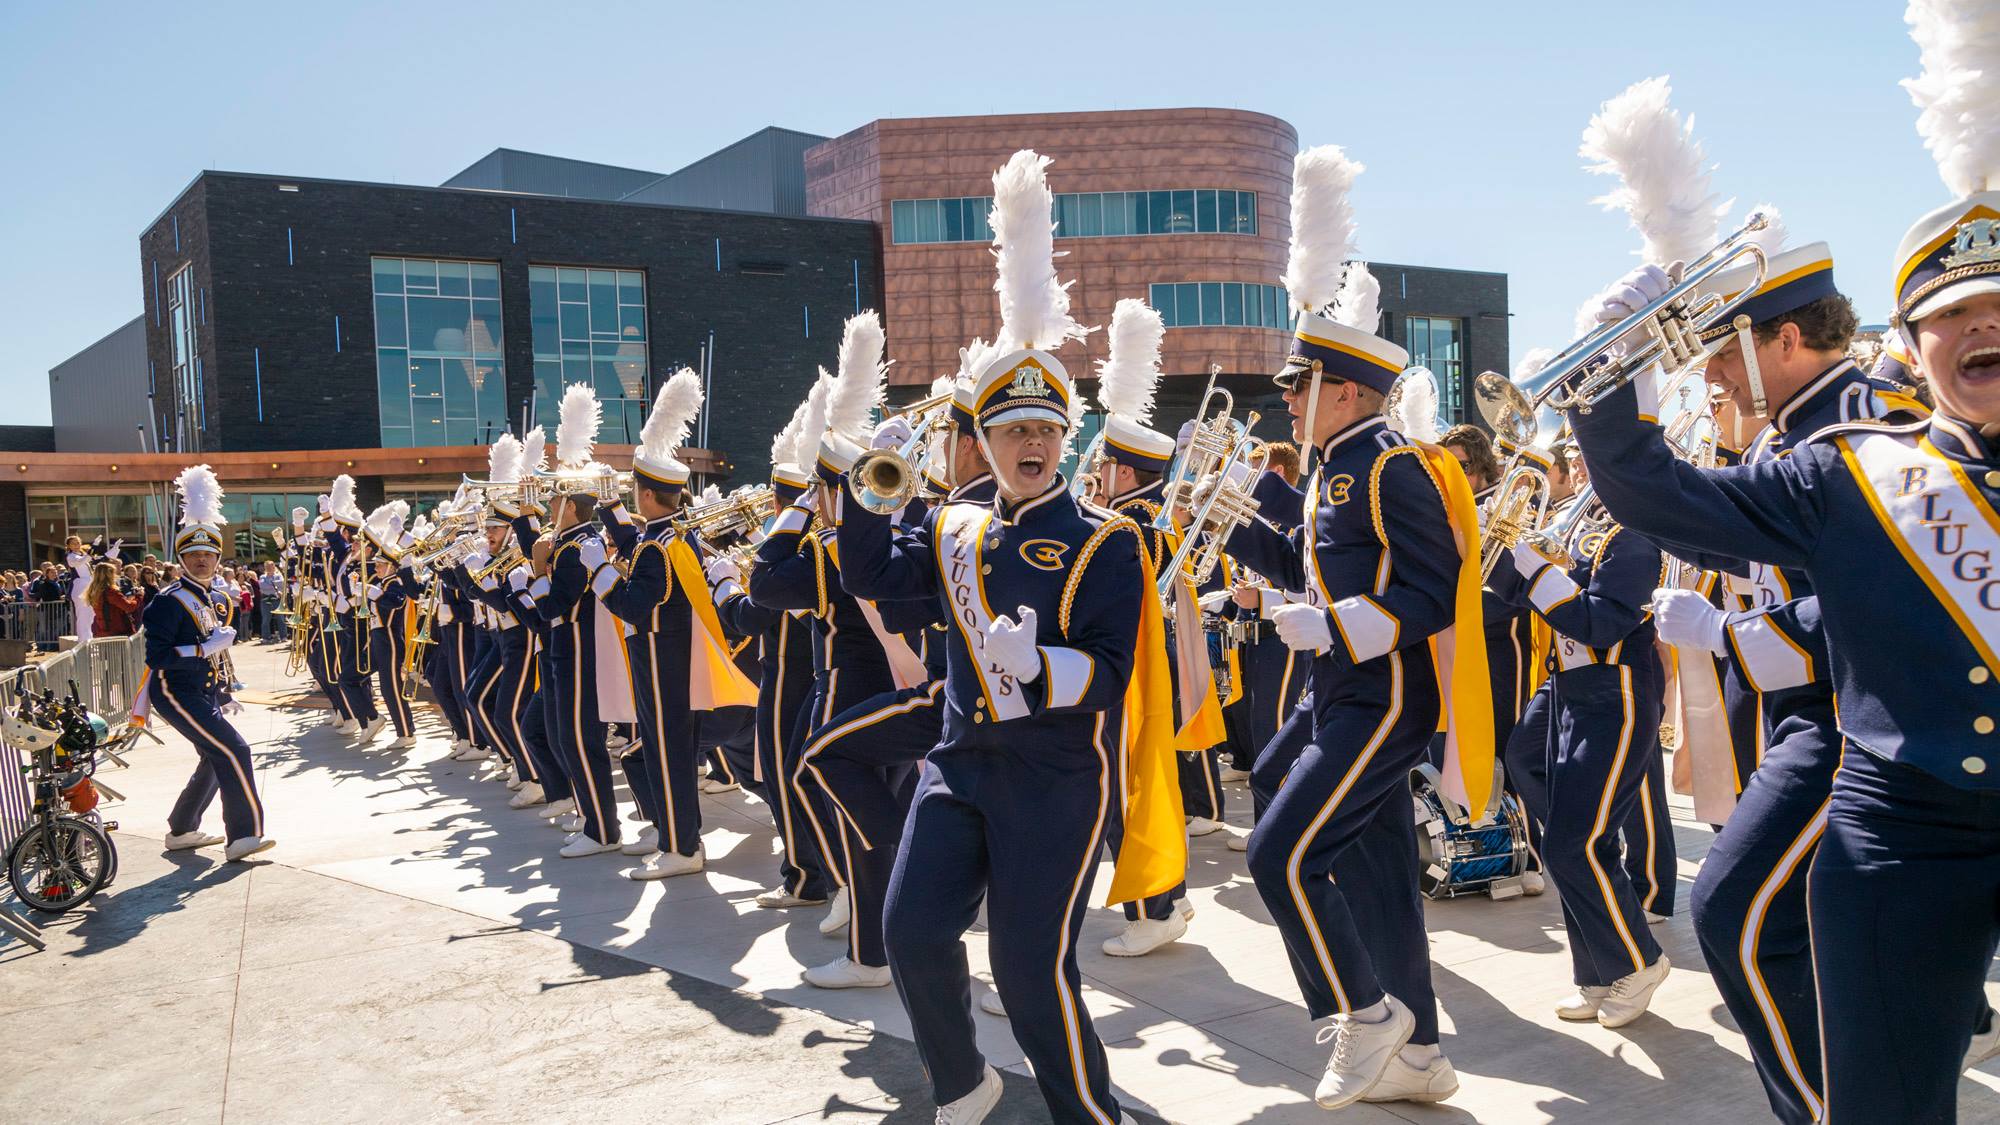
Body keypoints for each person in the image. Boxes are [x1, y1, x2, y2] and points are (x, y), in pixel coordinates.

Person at [831, 149, 1177, 1124]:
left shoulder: (1105, 542)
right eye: (1008, 429)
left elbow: (1111, 673)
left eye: (1042, 428)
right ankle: (963, 1082)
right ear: (982, 440)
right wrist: (866, 492)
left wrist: (1045, 664)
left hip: (1053, 780)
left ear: (1062, 437)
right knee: (908, 934)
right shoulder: (949, 522)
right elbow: (868, 575)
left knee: (1030, 976)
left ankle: (1088, 1115)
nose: (1027, 443)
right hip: (957, 766)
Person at [1220, 146, 1487, 1109]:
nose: (1285, 399)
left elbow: (1440, 587)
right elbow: (1307, 570)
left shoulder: (1387, 466)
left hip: (1382, 696)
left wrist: (1335, 628)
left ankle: (1365, 1019)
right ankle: (1421, 1054)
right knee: (1369, 880)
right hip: (1341, 691)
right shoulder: (1333, 468)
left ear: (1342, 385)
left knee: (1279, 854)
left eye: (1298, 384)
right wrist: (1246, 548)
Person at [594, 368, 755, 880]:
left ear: (645, 495)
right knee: (672, 753)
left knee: (668, 754)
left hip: (662, 663)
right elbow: (640, 558)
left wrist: (599, 573)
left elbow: (634, 606)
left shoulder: (658, 549)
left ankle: (681, 847)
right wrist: (611, 515)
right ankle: (675, 838)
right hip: (671, 660)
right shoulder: (668, 540)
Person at [148, 465, 273, 862]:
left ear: (218, 558)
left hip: (201, 690)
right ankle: (243, 836)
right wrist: (202, 652)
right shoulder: (167, 601)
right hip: (174, 689)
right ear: (181, 558)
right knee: (235, 750)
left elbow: (219, 648)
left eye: (208, 554)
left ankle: (182, 829)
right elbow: (158, 657)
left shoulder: (217, 598)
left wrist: (221, 689)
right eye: (193, 554)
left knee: (214, 754)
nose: (201, 560)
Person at [87, 561, 142, 637]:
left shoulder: (93, 591)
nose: (115, 576)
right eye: (113, 573)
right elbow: (129, 607)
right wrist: (139, 596)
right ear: (109, 575)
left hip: (101, 630)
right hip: (116, 632)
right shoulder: (110, 592)